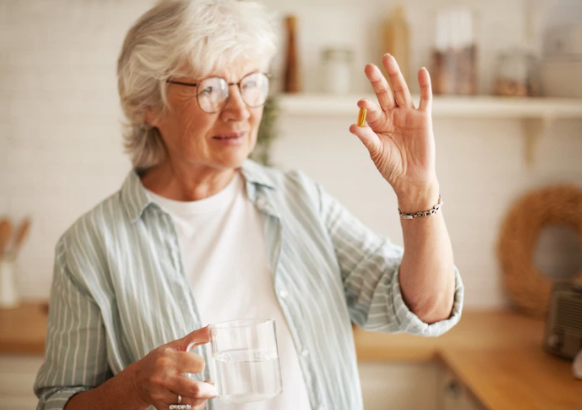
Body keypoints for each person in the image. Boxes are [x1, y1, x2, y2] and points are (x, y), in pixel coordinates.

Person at [33, 1, 464, 410]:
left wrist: (419, 193)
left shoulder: (299, 200)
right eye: (211, 89)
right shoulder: (89, 246)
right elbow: (58, 402)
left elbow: (427, 307)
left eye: (251, 83)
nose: (239, 111)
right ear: (148, 104)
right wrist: (135, 385)